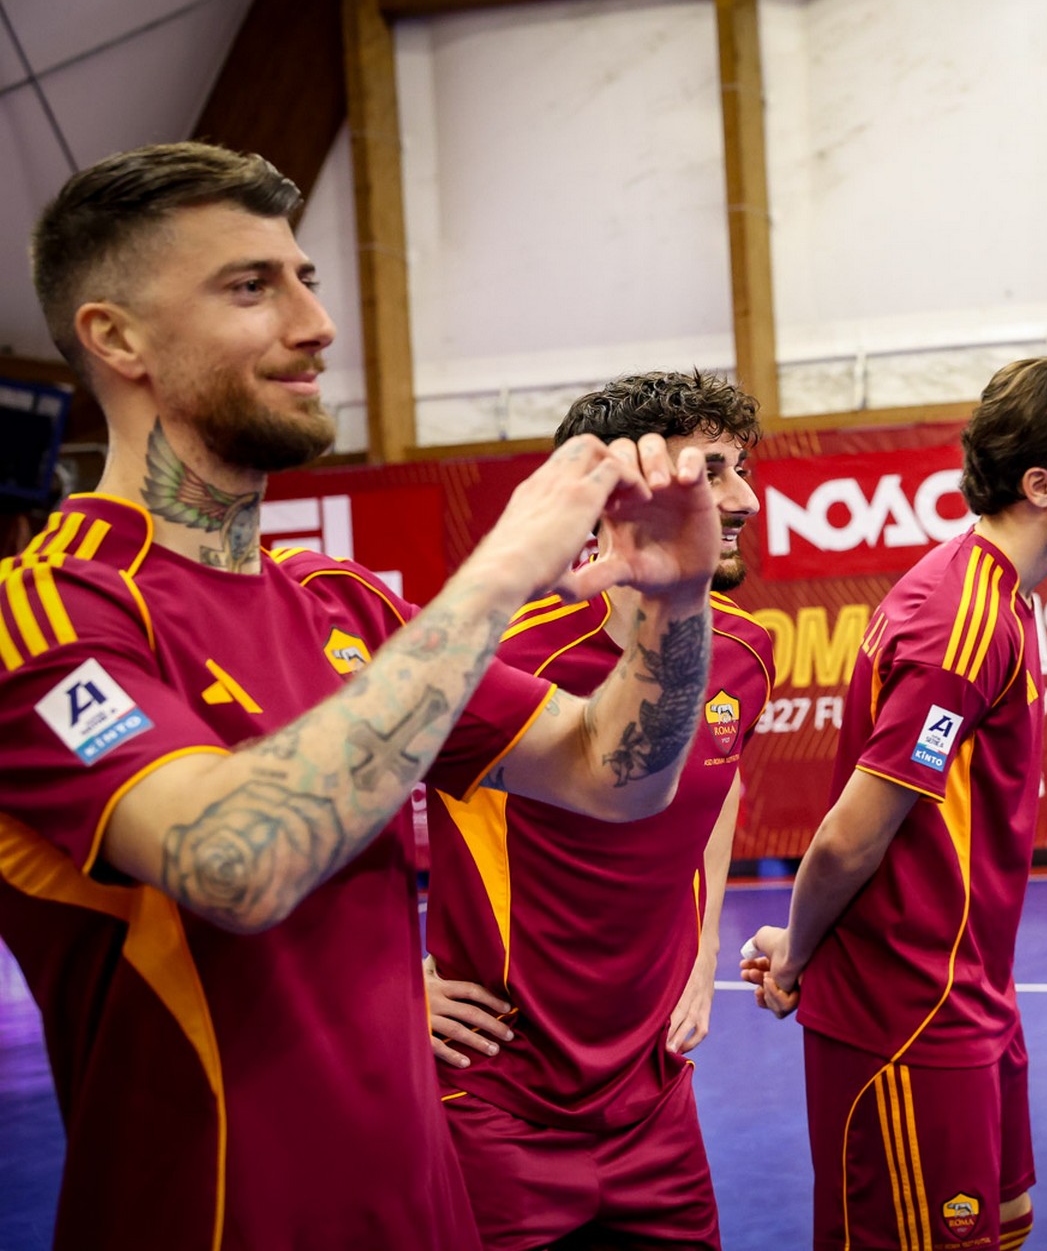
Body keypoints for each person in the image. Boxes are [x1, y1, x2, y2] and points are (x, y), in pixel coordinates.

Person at [0, 143, 719, 1250]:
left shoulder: (341, 604)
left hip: (424, 1214)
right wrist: (499, 571)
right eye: (252, 287)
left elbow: (611, 775)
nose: (318, 325)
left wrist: (674, 604)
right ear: (117, 337)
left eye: (307, 279)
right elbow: (233, 862)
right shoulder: (46, 612)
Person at [740, 357, 1047, 1251]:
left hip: (973, 994)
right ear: (1041, 485)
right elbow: (851, 836)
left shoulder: (999, 599)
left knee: (1003, 1225)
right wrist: (798, 949)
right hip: (908, 1016)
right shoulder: (963, 620)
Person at [420, 372, 770, 1248]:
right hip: (496, 1099)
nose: (745, 499)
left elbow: (720, 783)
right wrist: (388, 982)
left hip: (654, 1097)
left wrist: (705, 948)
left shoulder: (744, 652)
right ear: (620, 497)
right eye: (712, 472)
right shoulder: (501, 656)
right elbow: (346, 811)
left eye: (741, 470)